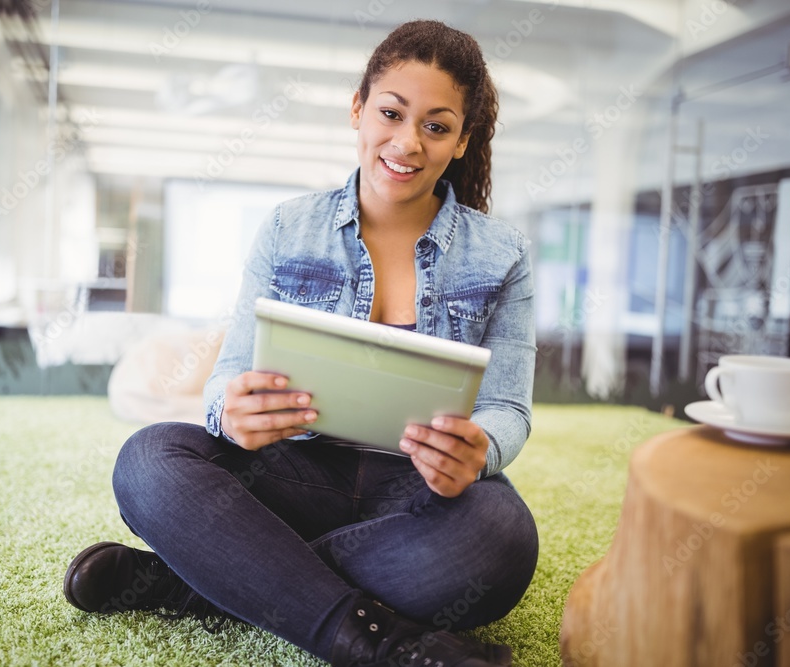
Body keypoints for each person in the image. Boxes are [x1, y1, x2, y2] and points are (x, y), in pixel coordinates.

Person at [64, 19, 538, 667]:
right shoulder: (289, 228)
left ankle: (200, 581)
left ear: (462, 140)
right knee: (149, 460)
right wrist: (229, 409)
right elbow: (228, 372)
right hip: (292, 472)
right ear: (357, 109)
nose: (407, 142)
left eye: (436, 125)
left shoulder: (503, 254)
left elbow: (509, 406)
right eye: (391, 113)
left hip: (419, 492)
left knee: (501, 538)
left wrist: (481, 447)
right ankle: (379, 642)